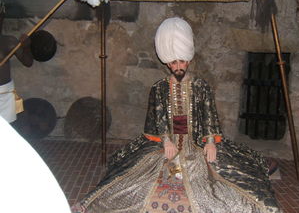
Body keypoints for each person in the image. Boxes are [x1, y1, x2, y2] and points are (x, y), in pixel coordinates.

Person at [73, 17, 281, 213]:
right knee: (130, 179)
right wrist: (166, 141)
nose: (178, 66)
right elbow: (159, 117)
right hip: (166, 144)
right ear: (166, 62)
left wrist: (209, 142)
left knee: (231, 181)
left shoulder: (201, 86)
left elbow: (209, 115)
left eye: (182, 61)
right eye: (173, 63)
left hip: (197, 143)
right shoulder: (159, 88)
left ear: (189, 59)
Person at [0, 13, 33, 123]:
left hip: (5, 95)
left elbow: (28, 62)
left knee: (8, 131)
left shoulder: (8, 42)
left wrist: (27, 46)